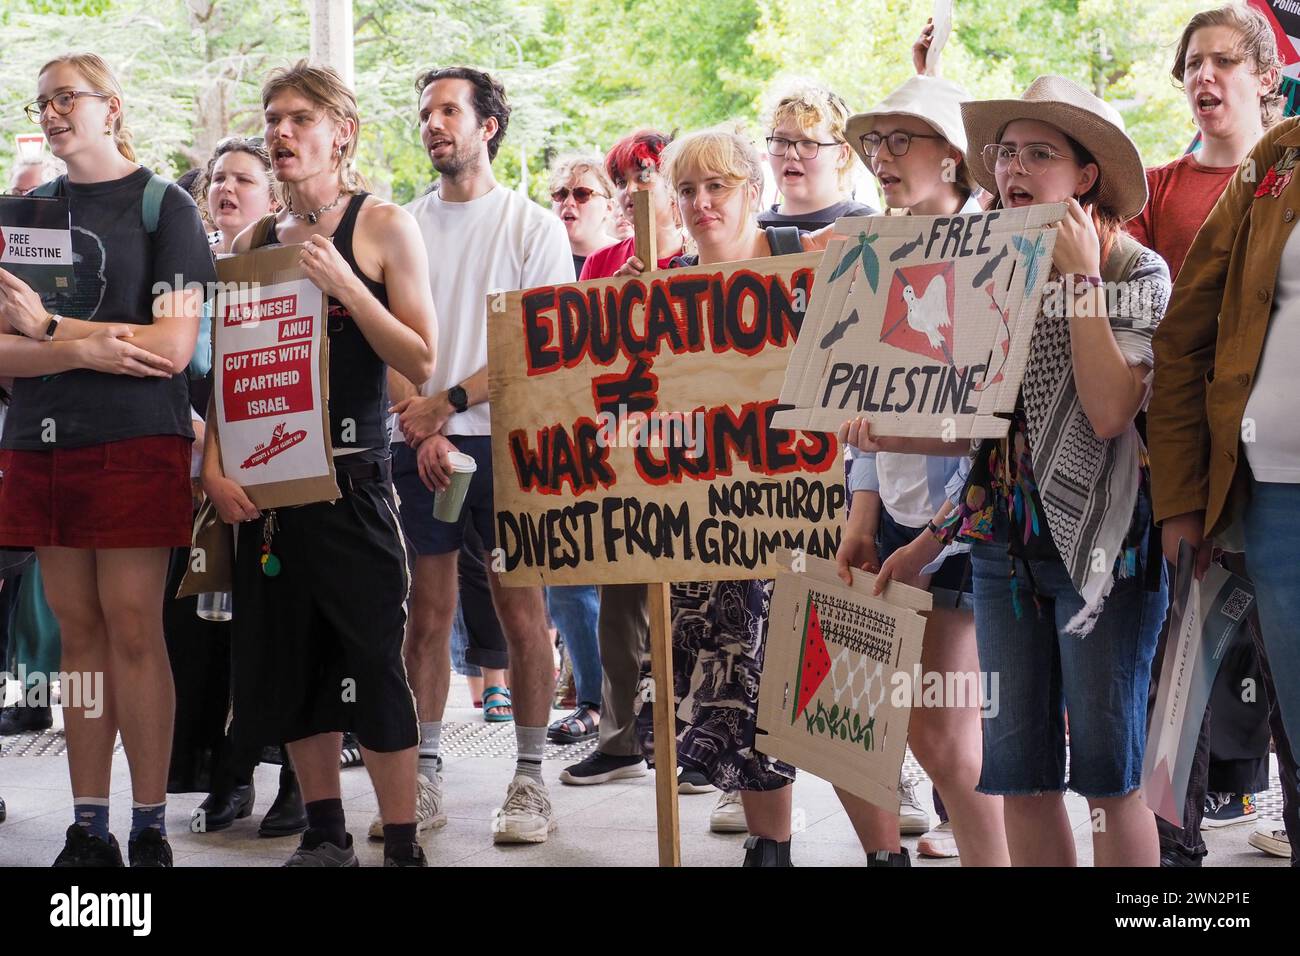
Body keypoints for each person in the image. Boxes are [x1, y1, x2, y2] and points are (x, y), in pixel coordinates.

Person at [854, 75, 1171, 866]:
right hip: (1004, 554)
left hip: (1106, 555)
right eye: (1004, 153)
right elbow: (981, 435)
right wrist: (883, 434)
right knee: (1018, 776)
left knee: (1108, 779)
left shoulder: (1138, 274)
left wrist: (1083, 282)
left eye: (1038, 154)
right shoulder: (991, 263)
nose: (1013, 169)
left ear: (1085, 174)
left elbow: (1106, 414)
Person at [203, 60, 437, 867]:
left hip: (353, 478)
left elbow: (421, 357)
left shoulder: (383, 225)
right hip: (270, 489)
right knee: (290, 667)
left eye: (300, 118)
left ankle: (402, 840)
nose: (281, 132)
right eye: (273, 118)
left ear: (343, 130)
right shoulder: (252, 243)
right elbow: (234, 371)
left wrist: (347, 285)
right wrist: (212, 464)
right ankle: (324, 830)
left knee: (372, 661)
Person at [0, 52, 214, 867]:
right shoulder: (27, 212)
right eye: (42, 101)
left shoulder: (167, 208)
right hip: (43, 441)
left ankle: (150, 823)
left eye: (67, 99)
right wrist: (92, 350)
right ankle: (89, 824)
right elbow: (1, 353)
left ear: (111, 108)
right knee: (77, 639)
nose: (52, 113)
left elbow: (171, 346)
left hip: (135, 441)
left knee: (133, 629)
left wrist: (55, 337)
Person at [619, 125, 822, 866]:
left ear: (754, 191)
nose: (703, 203)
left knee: (796, 696)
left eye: (719, 187)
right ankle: (769, 849)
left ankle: (863, 849)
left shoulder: (805, 263)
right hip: (698, 519)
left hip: (799, 518)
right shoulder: (659, 285)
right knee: (730, 691)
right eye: (689, 190)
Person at [386, 66, 573, 845]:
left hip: (510, 444)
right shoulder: (403, 224)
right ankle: (422, 778)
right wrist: (419, 424)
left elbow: (540, 343)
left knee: (522, 612)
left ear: (487, 125)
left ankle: (530, 780)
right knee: (424, 616)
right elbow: (387, 333)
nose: (434, 124)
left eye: (450, 111)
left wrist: (449, 406)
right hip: (420, 442)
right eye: (425, 112)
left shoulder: (532, 225)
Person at [1128, 3, 1295, 866]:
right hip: (1225, 475)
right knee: (1190, 677)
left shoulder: (1277, 167)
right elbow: (1166, 336)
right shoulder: (1191, 184)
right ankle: (1172, 873)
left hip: (1268, 476)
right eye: (1191, 62)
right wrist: (1180, 490)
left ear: (1268, 75)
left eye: (1222, 60)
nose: (1203, 77)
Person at [834, 71, 1010, 867]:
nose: (883, 155)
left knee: (946, 736)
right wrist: (861, 515)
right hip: (899, 517)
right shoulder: (876, 250)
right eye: (876, 141)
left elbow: (988, 428)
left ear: (954, 155)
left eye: (903, 139)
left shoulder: (995, 252)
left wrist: (928, 538)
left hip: (965, 525)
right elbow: (861, 412)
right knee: (910, 724)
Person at [560, 128, 700, 790]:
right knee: (619, 606)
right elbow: (584, 361)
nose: (632, 190)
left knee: (694, 606)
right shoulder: (601, 264)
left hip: (696, 459)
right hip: (623, 458)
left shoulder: (703, 260)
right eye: (623, 178)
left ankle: (696, 741)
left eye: (645, 175)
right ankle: (618, 738)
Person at [759, 82, 876, 231]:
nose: (791, 154)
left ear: (842, 154)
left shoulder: (868, 229)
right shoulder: (749, 231)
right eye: (780, 141)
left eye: (807, 142)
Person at [549, 152, 617, 277]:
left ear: (608, 208)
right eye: (561, 194)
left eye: (582, 194)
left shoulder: (630, 259)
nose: (568, 202)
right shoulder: (539, 259)